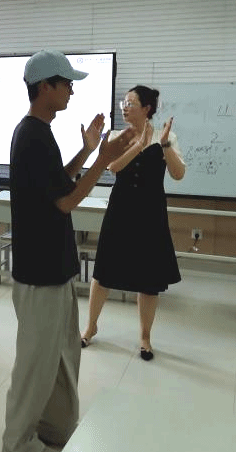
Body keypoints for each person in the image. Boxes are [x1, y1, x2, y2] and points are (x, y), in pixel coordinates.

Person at [3, 50, 134, 452]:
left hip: (54, 270)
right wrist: (104, 159)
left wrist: (88, 151)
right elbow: (66, 201)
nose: (71, 91)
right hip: (40, 274)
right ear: (45, 87)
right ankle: (17, 443)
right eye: (66, 84)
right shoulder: (32, 135)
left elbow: (57, 182)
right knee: (34, 367)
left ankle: (56, 430)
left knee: (62, 358)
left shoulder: (39, 134)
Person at [80, 86, 186, 361]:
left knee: (149, 279)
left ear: (146, 108)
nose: (124, 107)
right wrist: (139, 145)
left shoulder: (166, 137)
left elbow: (178, 174)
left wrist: (164, 145)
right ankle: (90, 327)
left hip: (151, 214)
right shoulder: (117, 135)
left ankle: (145, 337)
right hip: (121, 210)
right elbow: (112, 167)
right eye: (123, 103)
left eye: (130, 103)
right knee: (103, 272)